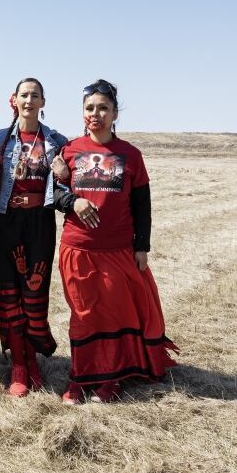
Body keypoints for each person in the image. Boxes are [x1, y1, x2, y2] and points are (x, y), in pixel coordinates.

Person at [50, 79, 179, 404]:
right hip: (77, 248)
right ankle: (80, 377)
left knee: (115, 314)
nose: (96, 114)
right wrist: (73, 202)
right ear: (82, 113)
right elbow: (54, 193)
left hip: (118, 251)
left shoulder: (131, 155)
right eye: (90, 108)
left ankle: (112, 379)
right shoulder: (69, 151)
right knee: (84, 315)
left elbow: (142, 206)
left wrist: (142, 247)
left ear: (115, 113)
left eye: (103, 108)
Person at [0, 78, 68, 397]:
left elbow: (71, 179)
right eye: (24, 95)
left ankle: (33, 360)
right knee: (9, 294)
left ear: (43, 102)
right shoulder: (0, 138)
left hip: (40, 221)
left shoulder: (56, 139)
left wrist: (64, 174)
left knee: (35, 293)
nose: (29, 100)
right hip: (6, 220)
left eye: (35, 95)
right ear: (14, 100)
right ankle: (18, 366)